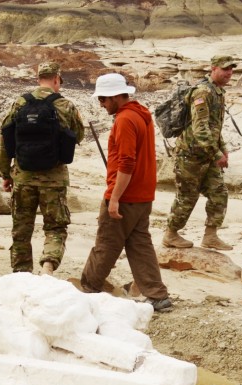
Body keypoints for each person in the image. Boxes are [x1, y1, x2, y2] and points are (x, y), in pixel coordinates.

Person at [80, 73, 172, 312]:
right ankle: (157, 295)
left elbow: (127, 162)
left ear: (115, 96)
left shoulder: (125, 120)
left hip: (126, 196)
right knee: (140, 245)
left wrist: (115, 198)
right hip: (143, 195)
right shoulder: (141, 114)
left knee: (106, 244)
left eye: (102, 99)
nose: (100, 104)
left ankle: (88, 289)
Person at [0, 62, 84, 276]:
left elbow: (5, 143)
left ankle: (21, 274)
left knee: (21, 230)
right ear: (56, 79)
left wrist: (7, 174)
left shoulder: (19, 103)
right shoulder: (66, 105)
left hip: (23, 178)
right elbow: (78, 136)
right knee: (54, 227)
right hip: (54, 180)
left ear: (38, 79)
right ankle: (48, 267)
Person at [162, 54, 237, 252]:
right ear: (213, 68)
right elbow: (200, 128)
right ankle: (170, 234)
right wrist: (216, 154)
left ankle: (210, 236)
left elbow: (215, 127)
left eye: (231, 69)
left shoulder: (218, 91)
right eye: (225, 69)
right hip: (190, 155)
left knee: (219, 192)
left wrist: (223, 149)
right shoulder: (203, 92)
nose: (229, 73)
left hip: (207, 153)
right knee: (187, 196)